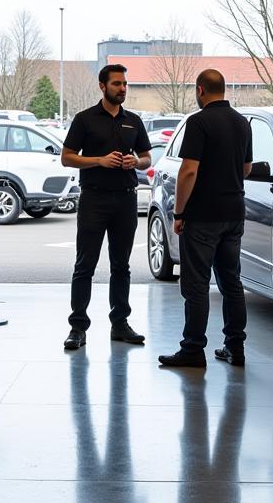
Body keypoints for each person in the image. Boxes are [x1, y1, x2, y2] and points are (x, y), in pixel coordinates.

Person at [158, 69, 252, 369]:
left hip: (203, 216)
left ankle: (193, 350)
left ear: (200, 90)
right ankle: (235, 348)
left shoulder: (198, 122)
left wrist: (180, 212)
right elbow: (247, 168)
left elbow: (188, 171)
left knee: (196, 285)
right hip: (234, 212)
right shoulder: (241, 122)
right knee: (231, 283)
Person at [61, 64, 152, 351]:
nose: (122, 89)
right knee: (84, 265)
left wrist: (135, 162)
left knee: (121, 266)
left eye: (125, 84)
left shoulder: (134, 121)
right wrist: (98, 160)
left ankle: (120, 325)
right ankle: (77, 327)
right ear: (103, 86)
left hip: (125, 199)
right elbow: (67, 157)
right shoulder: (85, 119)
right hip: (94, 199)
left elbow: (147, 158)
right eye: (117, 84)